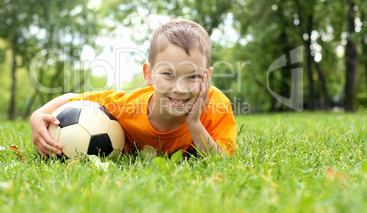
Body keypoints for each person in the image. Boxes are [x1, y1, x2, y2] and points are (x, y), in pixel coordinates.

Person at [30, 19, 237, 158]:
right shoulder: (126, 107)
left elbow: (221, 161)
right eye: (168, 74)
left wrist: (193, 123)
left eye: (193, 76)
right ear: (148, 74)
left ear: (207, 77)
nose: (180, 88)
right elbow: (71, 98)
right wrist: (37, 116)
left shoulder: (216, 105)